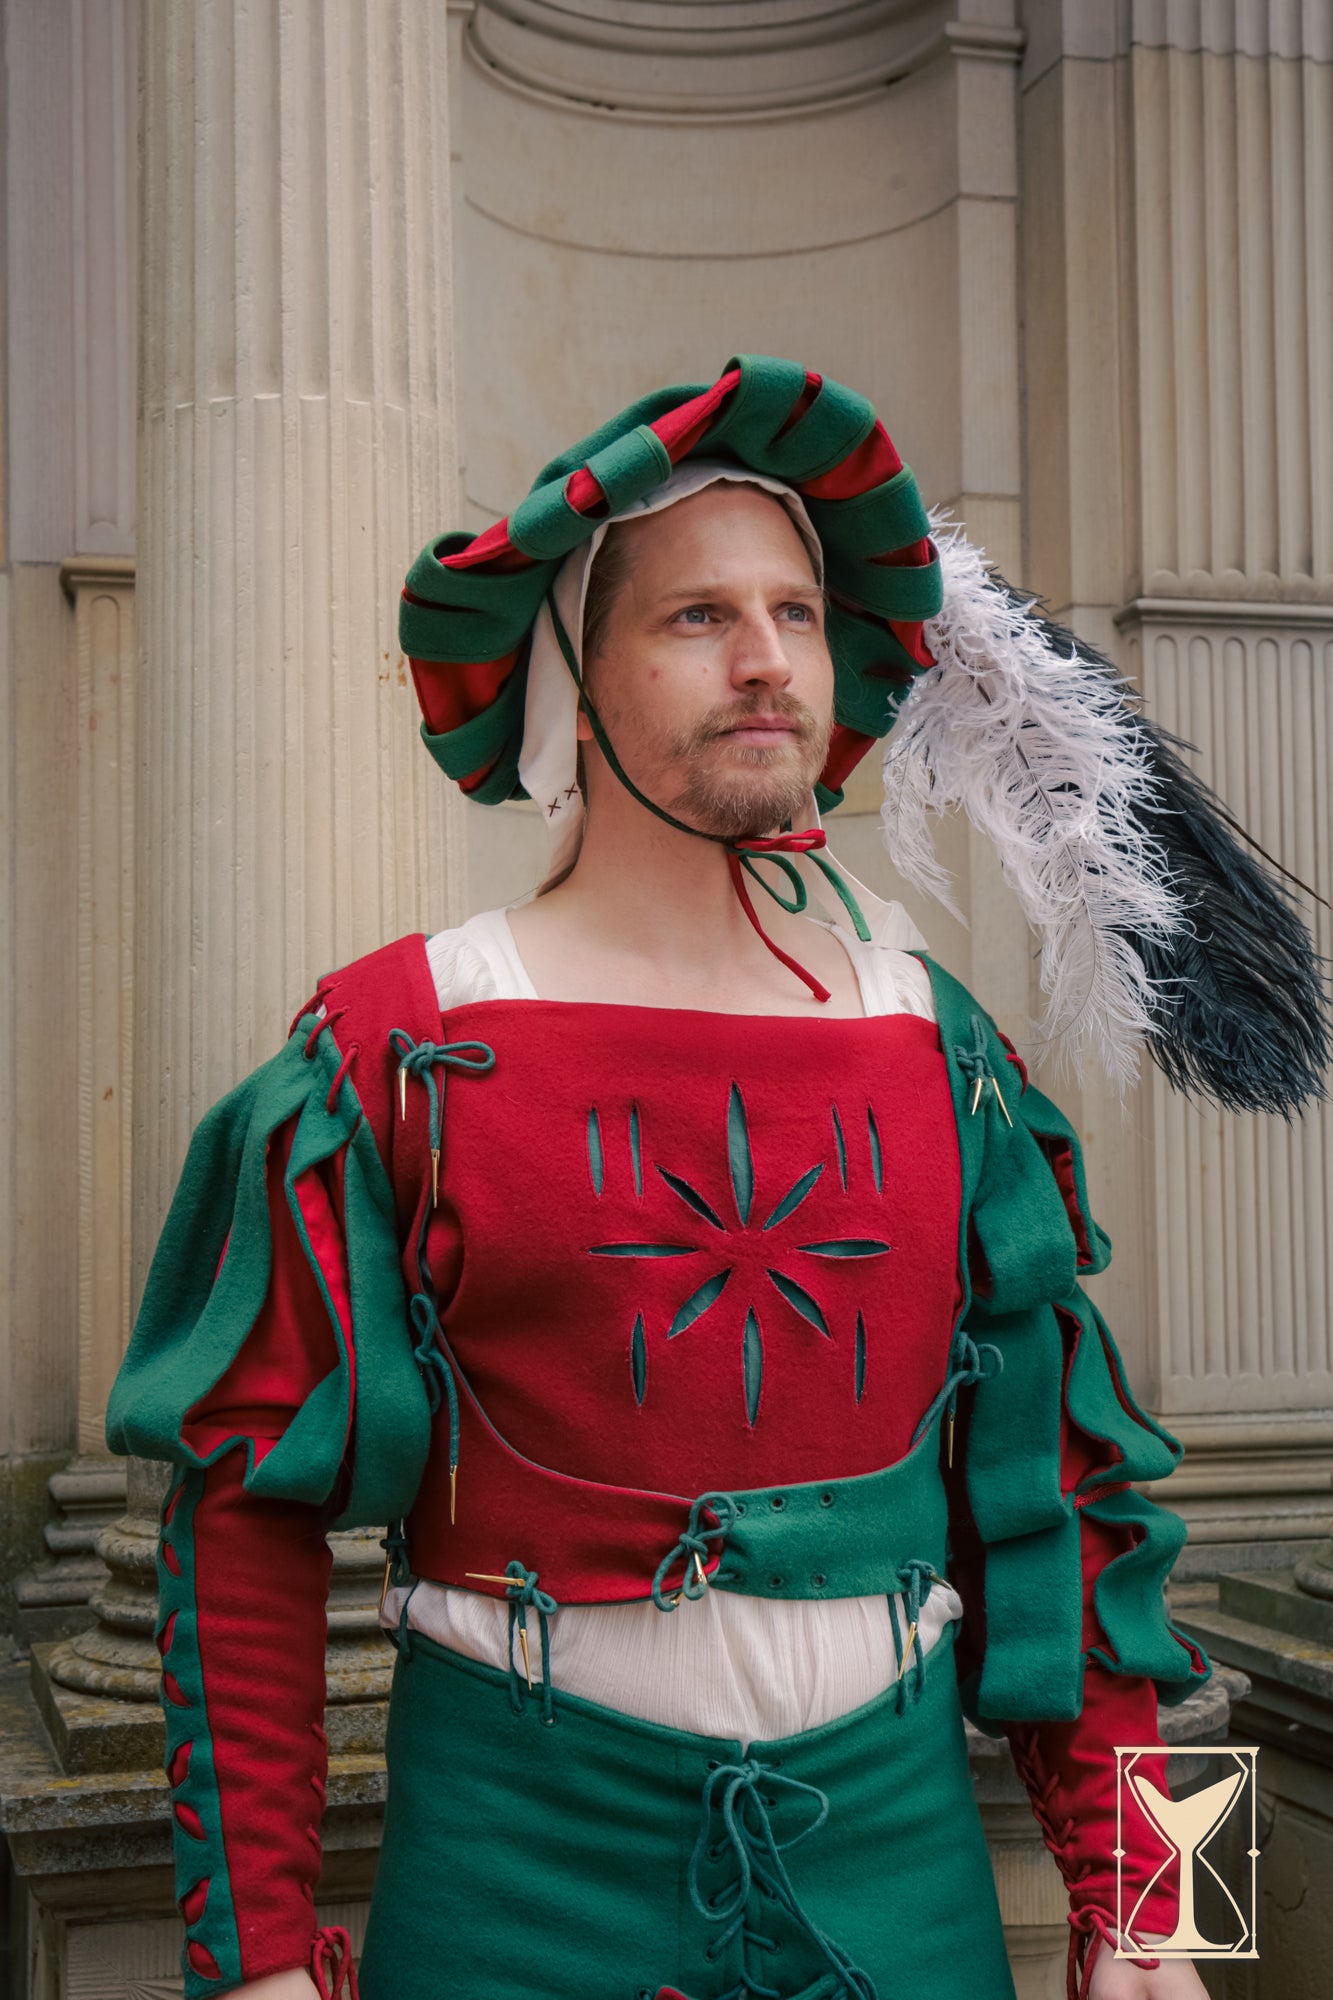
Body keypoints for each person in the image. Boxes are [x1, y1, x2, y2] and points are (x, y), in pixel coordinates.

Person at [107, 357, 1328, 2000]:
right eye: (696, 618)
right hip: (508, 1907)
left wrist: (1164, 1913)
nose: (765, 663)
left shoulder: (943, 1050)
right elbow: (234, 1532)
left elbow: (1083, 1511)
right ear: (570, 669)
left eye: (797, 615)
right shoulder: (386, 1046)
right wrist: (249, 1968)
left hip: (906, 1901)